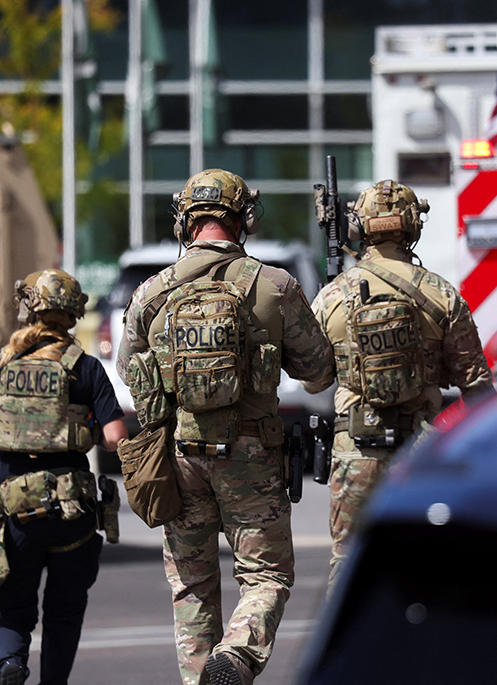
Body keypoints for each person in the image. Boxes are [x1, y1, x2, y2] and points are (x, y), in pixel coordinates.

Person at [117, 168, 332, 685]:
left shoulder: (151, 293)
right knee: (267, 575)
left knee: (192, 585)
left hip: (179, 456)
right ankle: (237, 653)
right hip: (252, 458)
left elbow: (129, 369)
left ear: (184, 222)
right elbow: (319, 371)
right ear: (245, 220)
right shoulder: (274, 285)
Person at [303, 179, 494, 587]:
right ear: (413, 227)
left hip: (356, 449)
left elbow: (313, 383)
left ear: (361, 229)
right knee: (428, 559)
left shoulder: (333, 296)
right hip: (420, 452)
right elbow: (477, 388)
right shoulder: (440, 293)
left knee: (349, 560)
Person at [0, 269, 128, 685]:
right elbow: (115, 438)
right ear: (72, 315)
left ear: (28, 309)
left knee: (13, 607)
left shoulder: (1, 364)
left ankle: (12, 664)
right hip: (72, 512)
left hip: (15, 511)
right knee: (65, 610)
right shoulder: (84, 367)